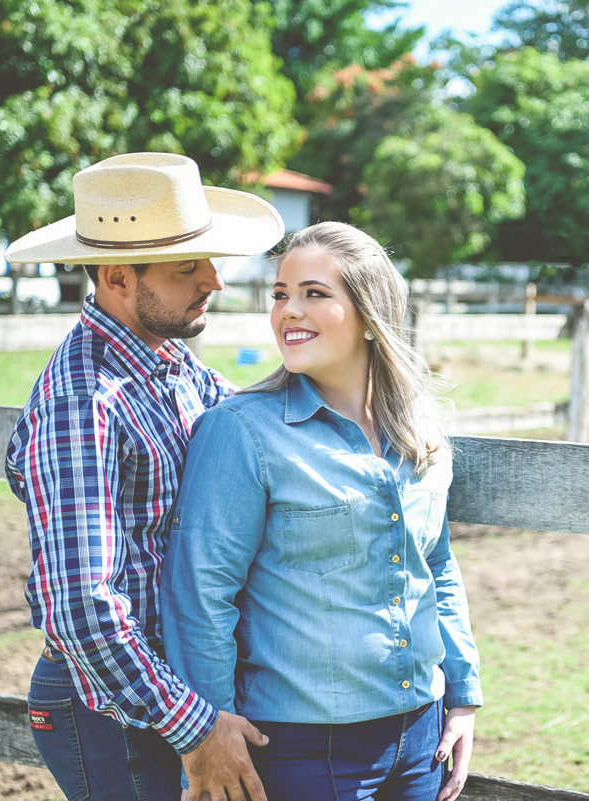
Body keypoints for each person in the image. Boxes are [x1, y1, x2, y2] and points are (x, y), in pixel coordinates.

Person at [160, 221, 483, 801]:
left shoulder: (420, 430)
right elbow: (200, 594)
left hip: (422, 738)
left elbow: (435, 564)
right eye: (281, 294)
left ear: (370, 314)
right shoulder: (241, 432)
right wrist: (209, 733)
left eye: (314, 293)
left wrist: (462, 694)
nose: (289, 310)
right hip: (298, 749)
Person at [3, 152, 285, 801]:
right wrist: (196, 729)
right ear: (116, 276)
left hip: (157, 691)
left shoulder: (171, 362)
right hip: (117, 707)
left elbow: (252, 423)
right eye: (187, 267)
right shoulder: (83, 405)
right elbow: (82, 607)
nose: (214, 279)